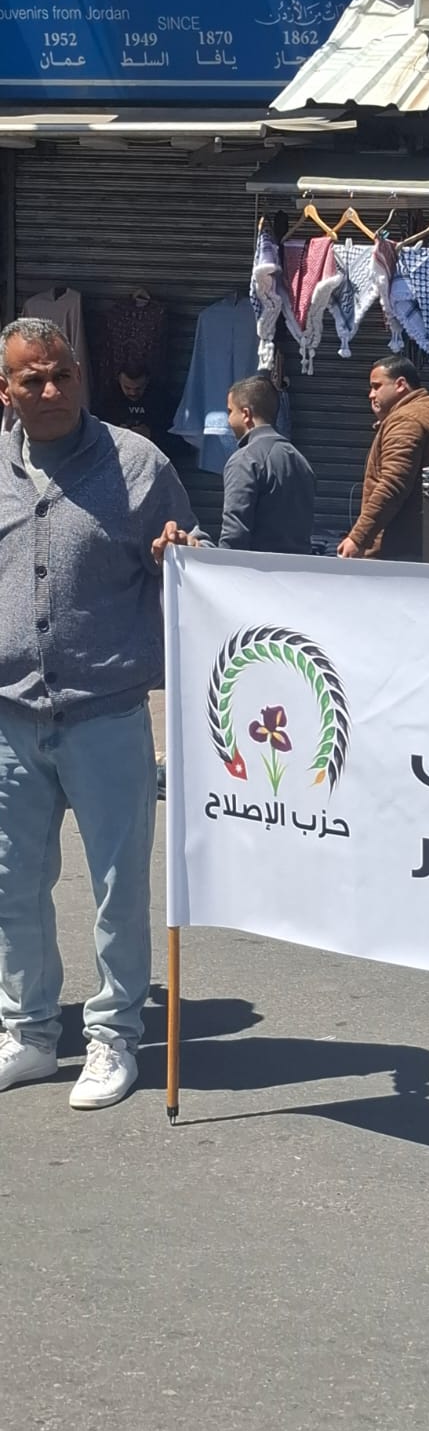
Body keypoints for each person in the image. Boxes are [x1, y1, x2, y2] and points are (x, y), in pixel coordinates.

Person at [0, 317, 204, 1110]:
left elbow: (191, 549)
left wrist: (179, 549)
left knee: (119, 887)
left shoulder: (137, 463)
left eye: (63, 374)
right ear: (7, 391)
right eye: (33, 380)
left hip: (108, 714)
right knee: (14, 884)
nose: (51, 390)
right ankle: (28, 1031)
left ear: (80, 374)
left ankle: (114, 1035)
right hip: (11, 718)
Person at [338, 355, 429, 563]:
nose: (371, 394)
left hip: (403, 548)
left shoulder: (407, 419)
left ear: (400, 384)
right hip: (428, 543)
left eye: (377, 386)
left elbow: (392, 485)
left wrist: (358, 538)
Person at [220, 374, 315, 554]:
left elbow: (234, 533)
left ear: (246, 414)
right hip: (299, 568)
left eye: (230, 411)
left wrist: (224, 566)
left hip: (255, 569)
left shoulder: (245, 460)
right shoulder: (301, 461)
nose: (228, 420)